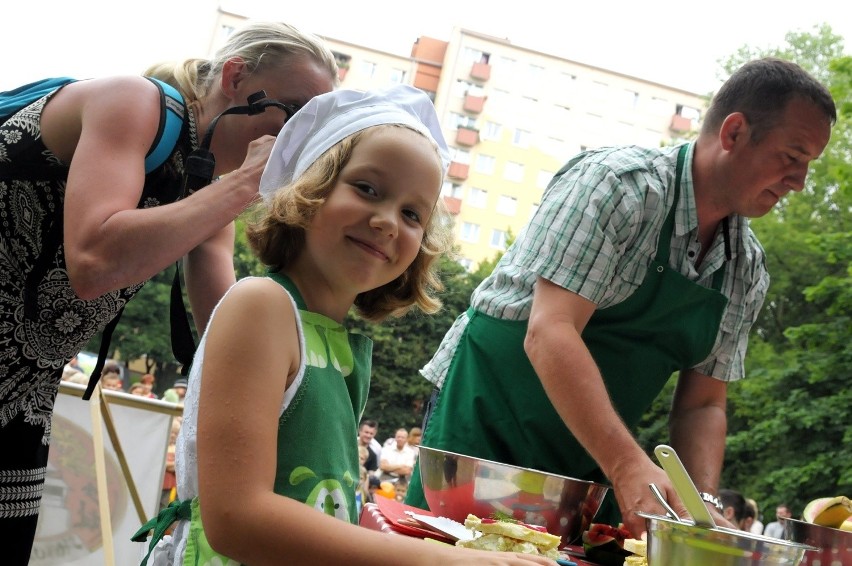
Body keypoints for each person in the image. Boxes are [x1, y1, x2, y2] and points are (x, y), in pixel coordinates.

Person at [406, 57, 836, 539]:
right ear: (734, 133)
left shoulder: (746, 268)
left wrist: (701, 507)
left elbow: (703, 405)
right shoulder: (617, 187)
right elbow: (550, 330)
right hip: (486, 424)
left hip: (592, 459)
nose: (799, 182)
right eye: (792, 157)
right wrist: (628, 462)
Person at [133, 85, 556, 566]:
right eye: (368, 189)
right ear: (308, 190)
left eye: (412, 213)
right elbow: (237, 518)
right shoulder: (263, 305)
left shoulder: (338, 344)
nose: (387, 221)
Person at [0, 20, 338, 562]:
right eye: (294, 113)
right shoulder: (133, 103)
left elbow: (225, 338)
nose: (300, 140)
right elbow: (92, 261)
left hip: (22, 395)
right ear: (234, 77)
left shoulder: (210, 193)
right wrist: (246, 182)